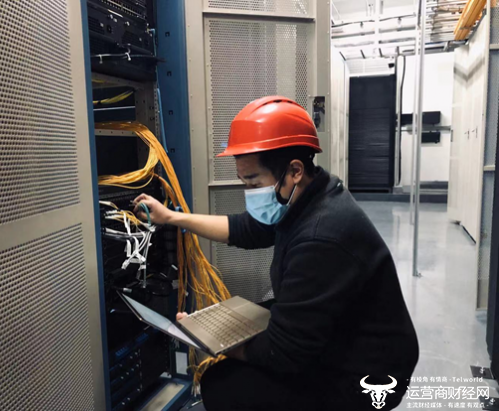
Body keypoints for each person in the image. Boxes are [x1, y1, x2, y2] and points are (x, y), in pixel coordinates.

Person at [134, 96, 419, 410]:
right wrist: (171, 218)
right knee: (246, 337)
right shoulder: (311, 195)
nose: (249, 193)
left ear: (295, 170)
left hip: (366, 372)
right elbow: (245, 229)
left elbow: (282, 354)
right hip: (341, 335)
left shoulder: (321, 236)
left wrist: (213, 339)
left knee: (222, 384)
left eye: (254, 181)